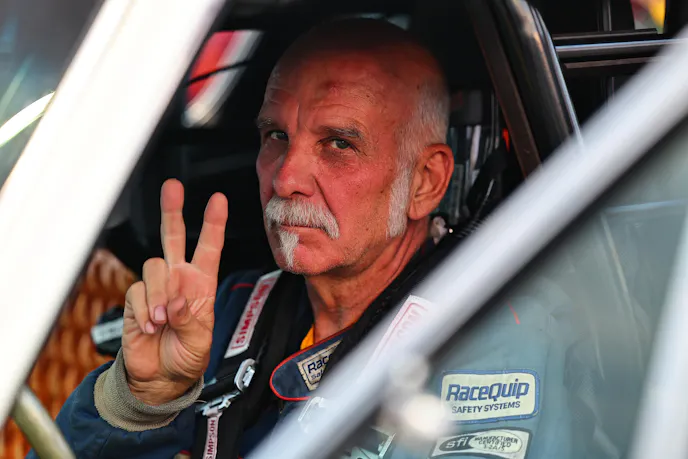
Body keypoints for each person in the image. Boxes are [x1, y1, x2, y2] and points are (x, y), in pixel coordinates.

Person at [32, 18, 583, 459]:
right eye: (276, 135)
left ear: (425, 182)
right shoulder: (220, 312)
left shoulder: (489, 340)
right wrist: (141, 402)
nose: (286, 177)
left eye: (339, 144)